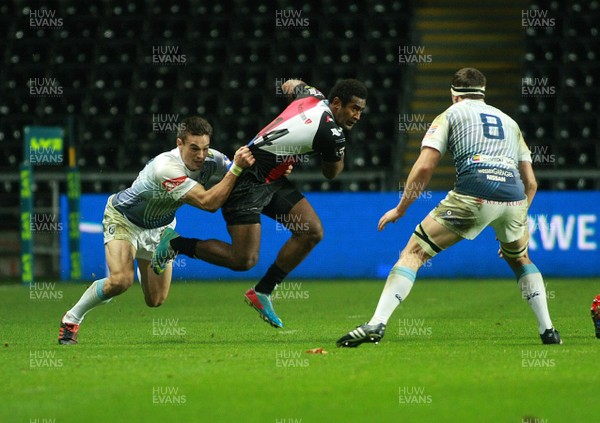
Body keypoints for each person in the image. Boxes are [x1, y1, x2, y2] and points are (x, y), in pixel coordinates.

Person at [336, 67, 562, 347]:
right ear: (482, 92)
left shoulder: (450, 115)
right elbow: (531, 182)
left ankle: (376, 324)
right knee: (520, 259)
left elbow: (425, 166)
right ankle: (548, 331)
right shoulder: (509, 121)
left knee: (415, 252)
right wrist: (516, 219)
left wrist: (401, 208)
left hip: (474, 194)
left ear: (454, 95)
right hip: (515, 198)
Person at [151, 79, 368, 328]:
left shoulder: (313, 96)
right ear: (337, 103)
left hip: (271, 179)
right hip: (248, 182)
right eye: (354, 108)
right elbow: (332, 173)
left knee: (311, 231)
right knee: (244, 260)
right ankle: (175, 243)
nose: (357, 116)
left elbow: (290, 84)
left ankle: (262, 292)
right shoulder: (332, 133)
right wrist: (337, 149)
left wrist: (291, 142)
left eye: (361, 110)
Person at [58, 116, 255, 344]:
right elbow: (208, 203)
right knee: (121, 281)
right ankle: (71, 319)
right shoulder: (166, 168)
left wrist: (272, 173)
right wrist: (237, 169)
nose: (200, 155)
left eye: (205, 148)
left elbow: (241, 175)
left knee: (155, 300)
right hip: (125, 219)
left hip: (161, 230)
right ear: (179, 144)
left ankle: (148, 263)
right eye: (193, 148)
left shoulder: (213, 160)